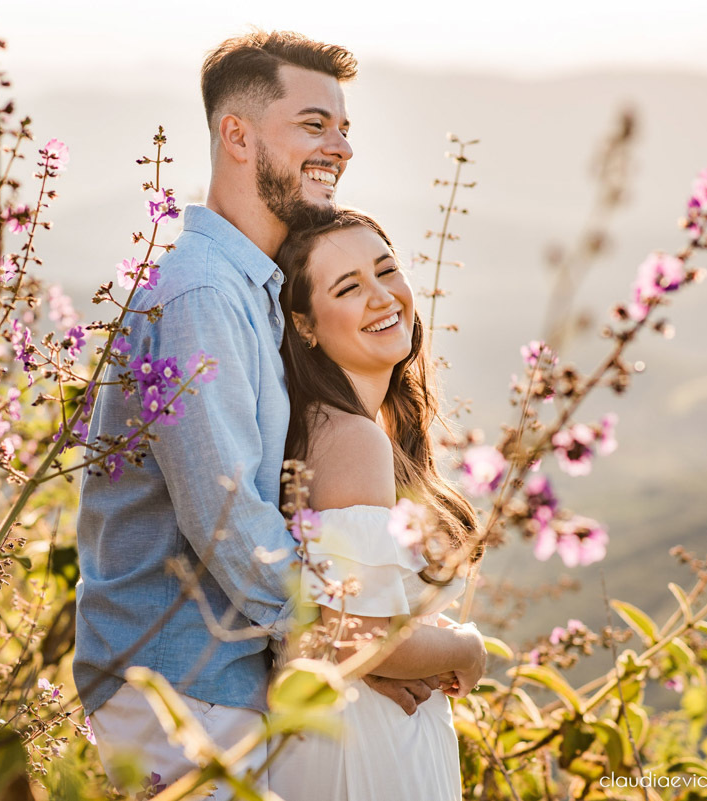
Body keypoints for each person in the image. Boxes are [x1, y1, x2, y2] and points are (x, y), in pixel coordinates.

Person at [73, 31, 441, 799]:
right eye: (314, 124)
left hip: (217, 681)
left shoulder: (251, 290)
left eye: (343, 128)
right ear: (236, 136)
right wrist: (356, 648)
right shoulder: (203, 294)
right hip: (176, 685)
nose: (340, 147)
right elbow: (227, 520)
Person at [269, 208, 487, 800]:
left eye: (386, 270)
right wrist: (467, 649)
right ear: (304, 326)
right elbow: (354, 639)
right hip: (364, 749)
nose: (382, 296)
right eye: (348, 288)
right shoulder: (350, 439)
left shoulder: (348, 427)